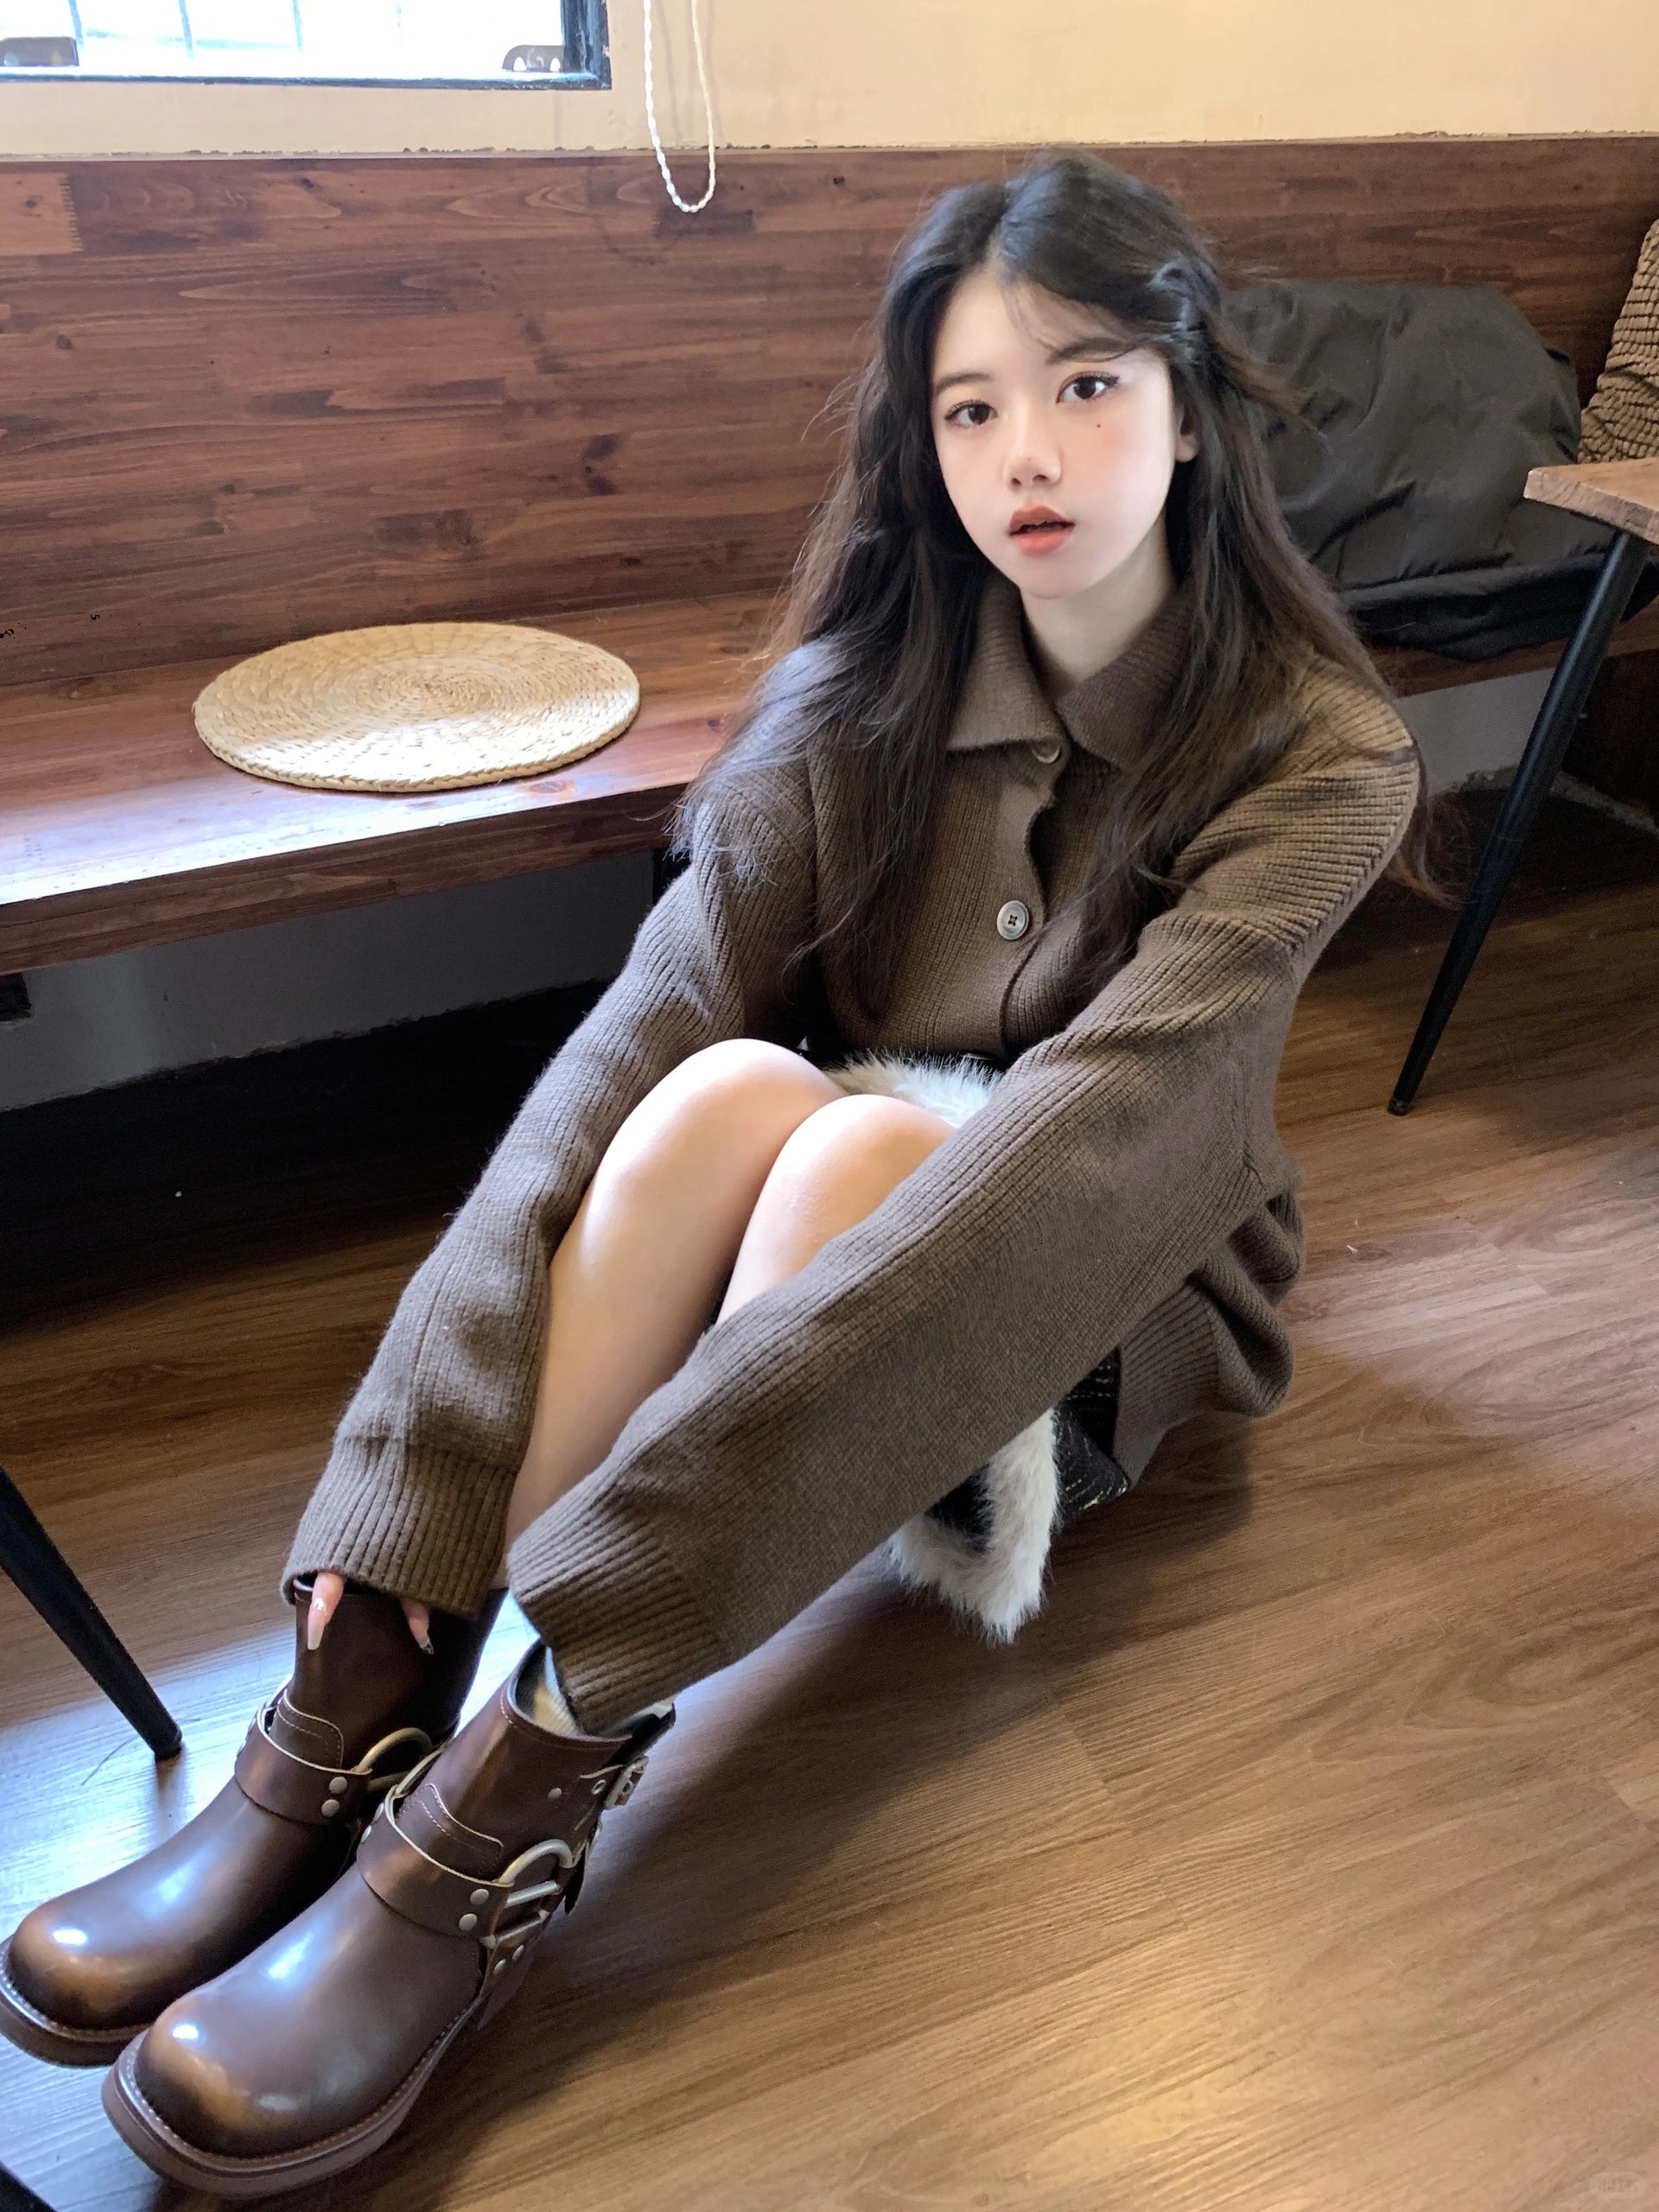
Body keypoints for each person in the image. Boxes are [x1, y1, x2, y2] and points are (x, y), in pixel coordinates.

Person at [0, 148, 1446, 2193]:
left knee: (864, 1131)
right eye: (969, 407)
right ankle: (377, 1678)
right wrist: (391, 1491)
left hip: (1094, 1306)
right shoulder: (857, 693)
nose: (1027, 454)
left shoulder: (1318, 752)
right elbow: (637, 1034)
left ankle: (534, 1767)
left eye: (1087, 384)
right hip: (801, 1260)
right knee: (709, 1086)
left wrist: (615, 1590)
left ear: (1193, 403)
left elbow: (1101, 1139)